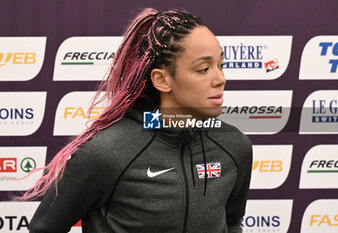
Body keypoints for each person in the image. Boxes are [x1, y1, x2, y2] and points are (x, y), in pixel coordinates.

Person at [25, 8, 252, 233]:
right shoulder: (107, 151)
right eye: (203, 69)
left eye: (221, 66)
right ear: (162, 80)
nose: (220, 79)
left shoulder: (233, 146)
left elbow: (232, 223)